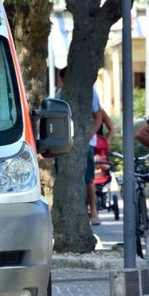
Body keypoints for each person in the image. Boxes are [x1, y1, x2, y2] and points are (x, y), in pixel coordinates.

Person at [56, 67, 103, 225]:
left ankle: (93, 210)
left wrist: (90, 134)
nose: (63, 84)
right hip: (65, 142)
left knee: (88, 178)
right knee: (65, 176)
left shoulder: (89, 93)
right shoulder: (60, 94)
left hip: (85, 142)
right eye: (62, 81)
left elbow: (98, 116)